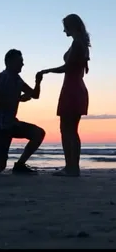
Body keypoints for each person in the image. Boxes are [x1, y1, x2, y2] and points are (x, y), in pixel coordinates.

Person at [37, 14, 91, 176]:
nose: (63, 30)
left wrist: (46, 71)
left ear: (71, 26)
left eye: (65, 27)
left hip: (72, 89)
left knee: (66, 129)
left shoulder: (77, 44)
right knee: (72, 130)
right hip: (76, 88)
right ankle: (73, 166)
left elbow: (67, 68)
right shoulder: (81, 43)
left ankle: (71, 167)